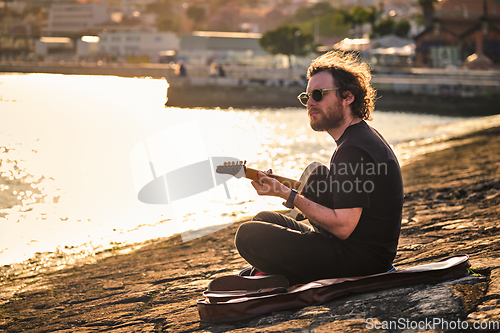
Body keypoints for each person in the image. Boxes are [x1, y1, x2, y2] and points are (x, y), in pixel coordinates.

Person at [234, 51, 404, 286]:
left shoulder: (353, 149)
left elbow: (344, 226)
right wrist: (282, 189)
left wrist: (287, 195)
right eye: (307, 97)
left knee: (248, 236)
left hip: (360, 262)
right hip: (360, 252)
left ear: (348, 97)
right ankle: (271, 272)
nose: (311, 103)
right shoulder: (358, 138)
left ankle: (276, 275)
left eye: (318, 95)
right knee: (265, 218)